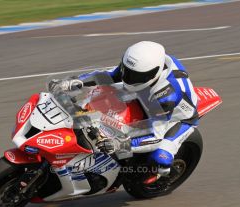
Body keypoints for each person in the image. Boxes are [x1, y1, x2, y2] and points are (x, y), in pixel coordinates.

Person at [48, 41, 198, 181]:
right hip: (145, 93)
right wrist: (75, 82)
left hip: (176, 118)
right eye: (127, 71)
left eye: (135, 76)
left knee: (160, 157)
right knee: (98, 98)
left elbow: (155, 137)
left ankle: (157, 174)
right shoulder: (139, 66)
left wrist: (119, 145)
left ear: (153, 74)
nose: (128, 78)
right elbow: (110, 76)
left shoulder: (166, 96)